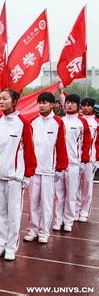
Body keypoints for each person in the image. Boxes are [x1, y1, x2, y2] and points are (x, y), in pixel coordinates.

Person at [0, 89, 36, 261]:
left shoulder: (23, 123)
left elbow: (29, 151)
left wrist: (28, 175)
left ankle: (11, 248)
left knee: (13, 214)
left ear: (14, 101)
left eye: (5, 98)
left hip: (14, 178)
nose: (1, 101)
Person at [23, 92, 68, 244]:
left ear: (52, 104)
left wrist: (61, 165)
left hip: (49, 170)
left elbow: (61, 145)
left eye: (45, 102)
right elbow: (27, 146)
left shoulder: (58, 122)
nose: (41, 105)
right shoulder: (32, 121)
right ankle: (33, 230)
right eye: (39, 102)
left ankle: (44, 231)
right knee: (33, 202)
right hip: (34, 170)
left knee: (47, 203)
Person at [53, 94, 92, 232]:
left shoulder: (82, 122)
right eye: (67, 103)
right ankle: (58, 220)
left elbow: (87, 143)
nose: (69, 105)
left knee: (71, 194)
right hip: (59, 165)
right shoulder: (59, 121)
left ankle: (68, 220)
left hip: (74, 164)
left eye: (72, 103)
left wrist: (84, 160)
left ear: (77, 106)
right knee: (58, 194)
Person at [78, 97, 98, 222]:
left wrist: (96, 159)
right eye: (83, 105)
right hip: (76, 159)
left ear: (92, 107)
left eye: (88, 106)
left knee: (87, 185)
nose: (85, 108)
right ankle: (76, 210)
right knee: (75, 187)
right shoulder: (78, 120)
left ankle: (84, 212)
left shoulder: (96, 122)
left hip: (90, 159)